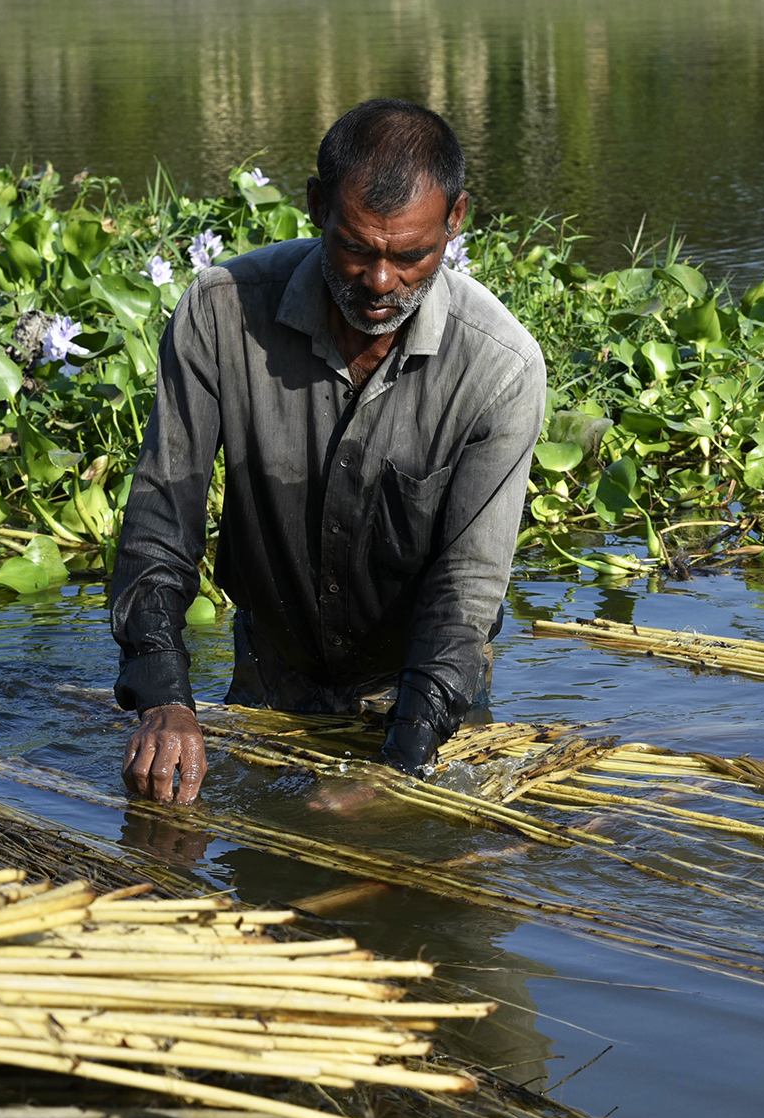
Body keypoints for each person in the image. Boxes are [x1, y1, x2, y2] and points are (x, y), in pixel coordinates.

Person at [109, 99, 545, 805]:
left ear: (456, 220)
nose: (381, 282)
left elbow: (465, 595)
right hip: (271, 684)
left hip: (423, 698)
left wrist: (398, 772)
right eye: (356, 249)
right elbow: (162, 519)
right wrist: (164, 698)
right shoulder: (221, 312)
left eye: (412, 256)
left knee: (427, 858)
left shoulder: (500, 368)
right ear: (317, 206)